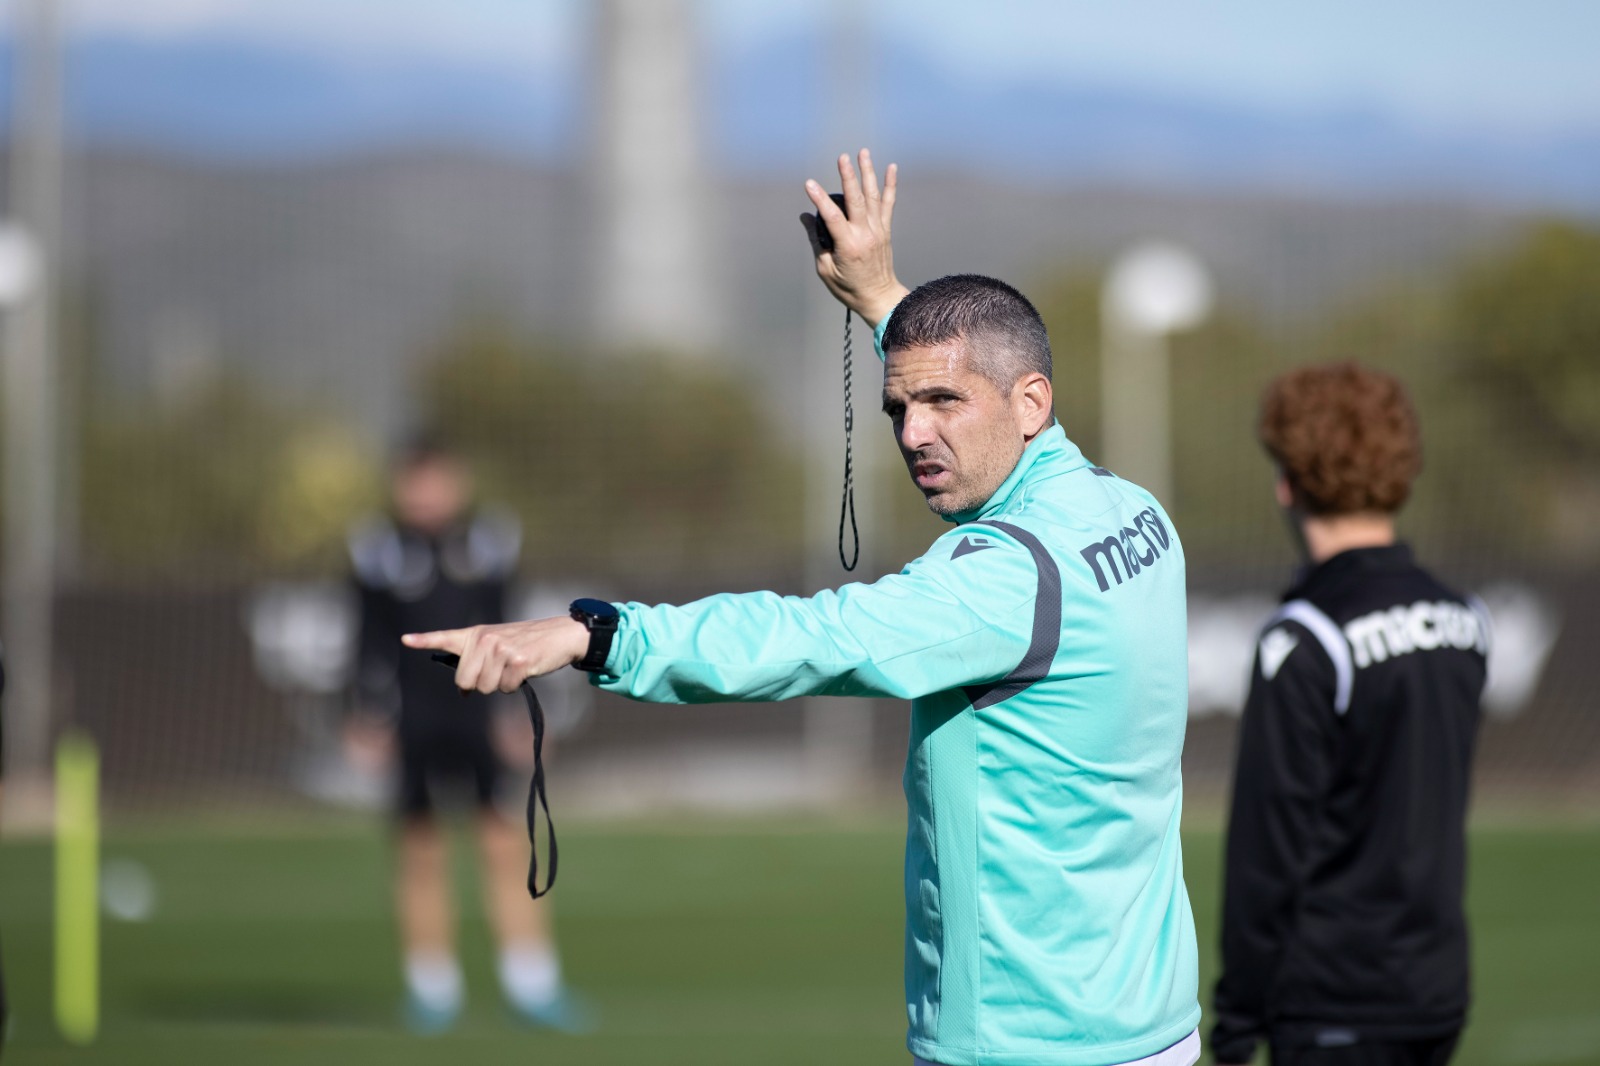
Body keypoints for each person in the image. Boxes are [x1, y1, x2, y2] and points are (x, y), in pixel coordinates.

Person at [406, 150, 1201, 1066]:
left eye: (943, 402)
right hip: (1152, 1023)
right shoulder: (1129, 509)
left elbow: (811, 638)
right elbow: (981, 369)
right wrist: (884, 298)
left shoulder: (1005, 575)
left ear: (1031, 403)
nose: (914, 432)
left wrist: (599, 635)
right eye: (899, 406)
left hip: (1035, 1042)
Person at [1210, 364, 1488, 1066]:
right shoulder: (1464, 619)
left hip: (1333, 1000)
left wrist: (1237, 1017)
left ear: (1289, 482)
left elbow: (1266, 852)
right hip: (1436, 990)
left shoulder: (1303, 640)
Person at [347, 437, 586, 1033]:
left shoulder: (490, 541)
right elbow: (366, 640)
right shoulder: (377, 551)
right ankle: (432, 990)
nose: (427, 494)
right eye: (416, 481)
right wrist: (365, 714)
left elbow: (521, 628)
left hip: (479, 715)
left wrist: (520, 714)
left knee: (504, 842)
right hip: (413, 719)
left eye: (438, 480)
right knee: (420, 849)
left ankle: (533, 984)